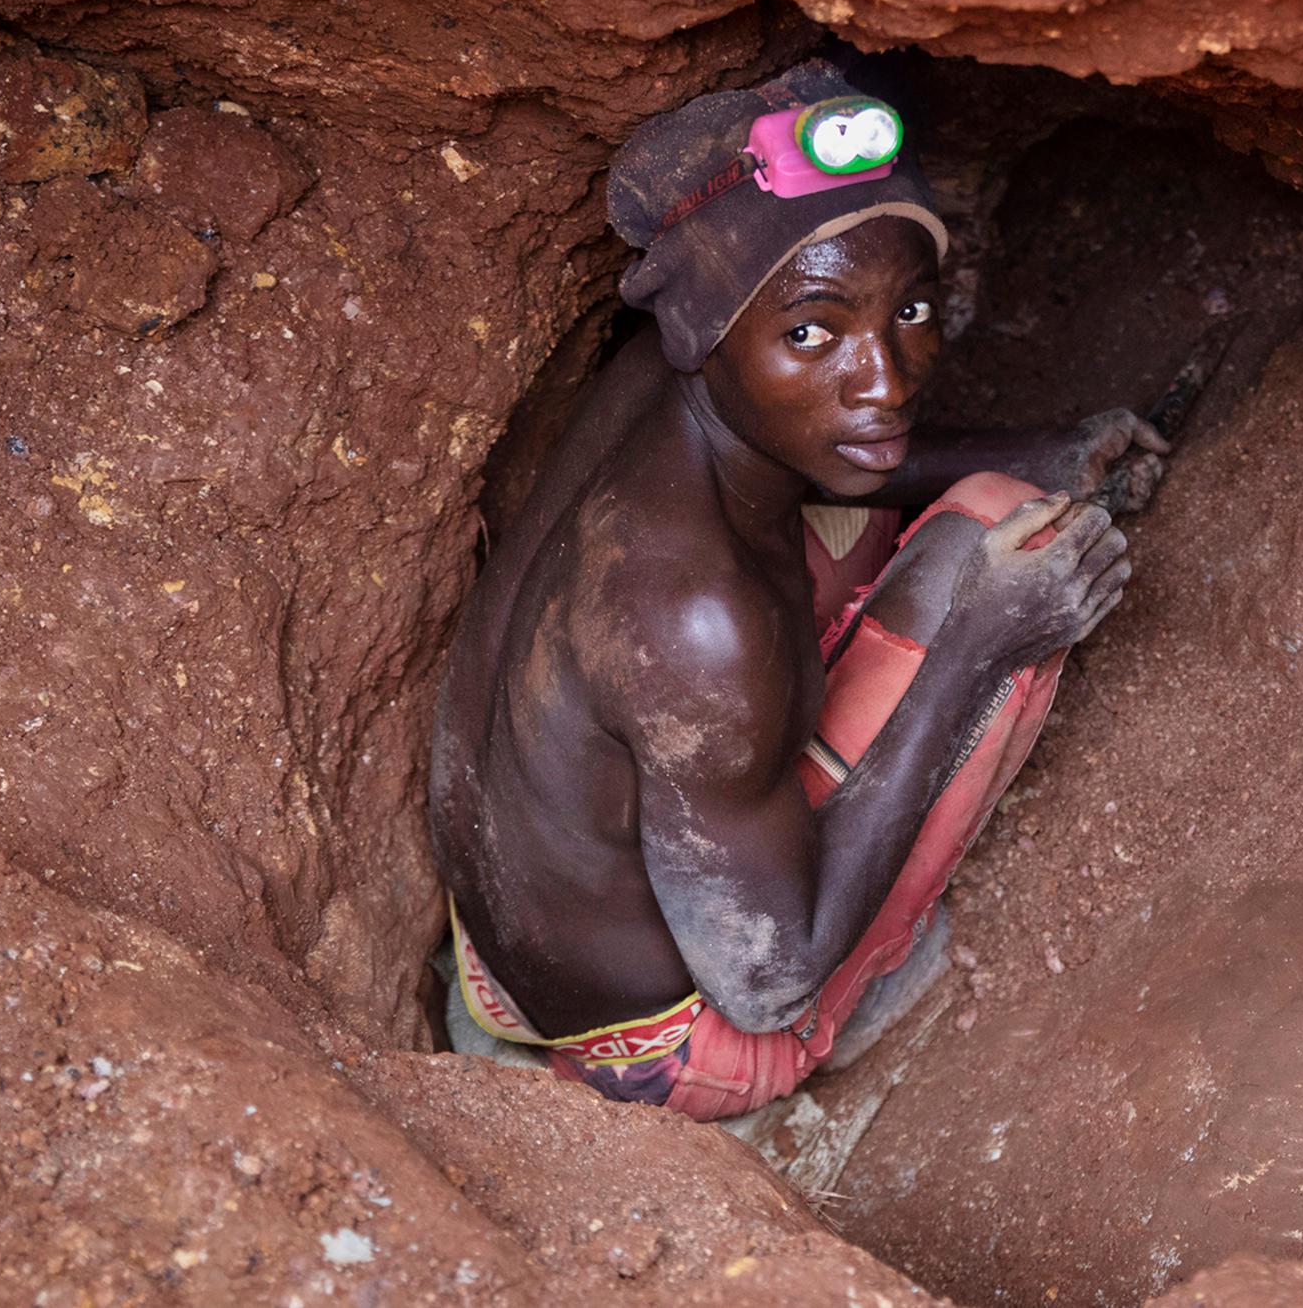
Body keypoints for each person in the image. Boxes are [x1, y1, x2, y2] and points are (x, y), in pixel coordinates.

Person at [427, 62, 1168, 1121]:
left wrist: (1041, 443)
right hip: (675, 1044)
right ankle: (877, 969)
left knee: (862, 497)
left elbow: (832, 443)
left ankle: (770, 793)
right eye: (814, 332)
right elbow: (767, 983)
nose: (888, 376)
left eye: (911, 309)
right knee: (1001, 541)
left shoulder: (664, 381)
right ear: (707, 333)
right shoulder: (698, 622)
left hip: (507, 947)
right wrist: (978, 648)